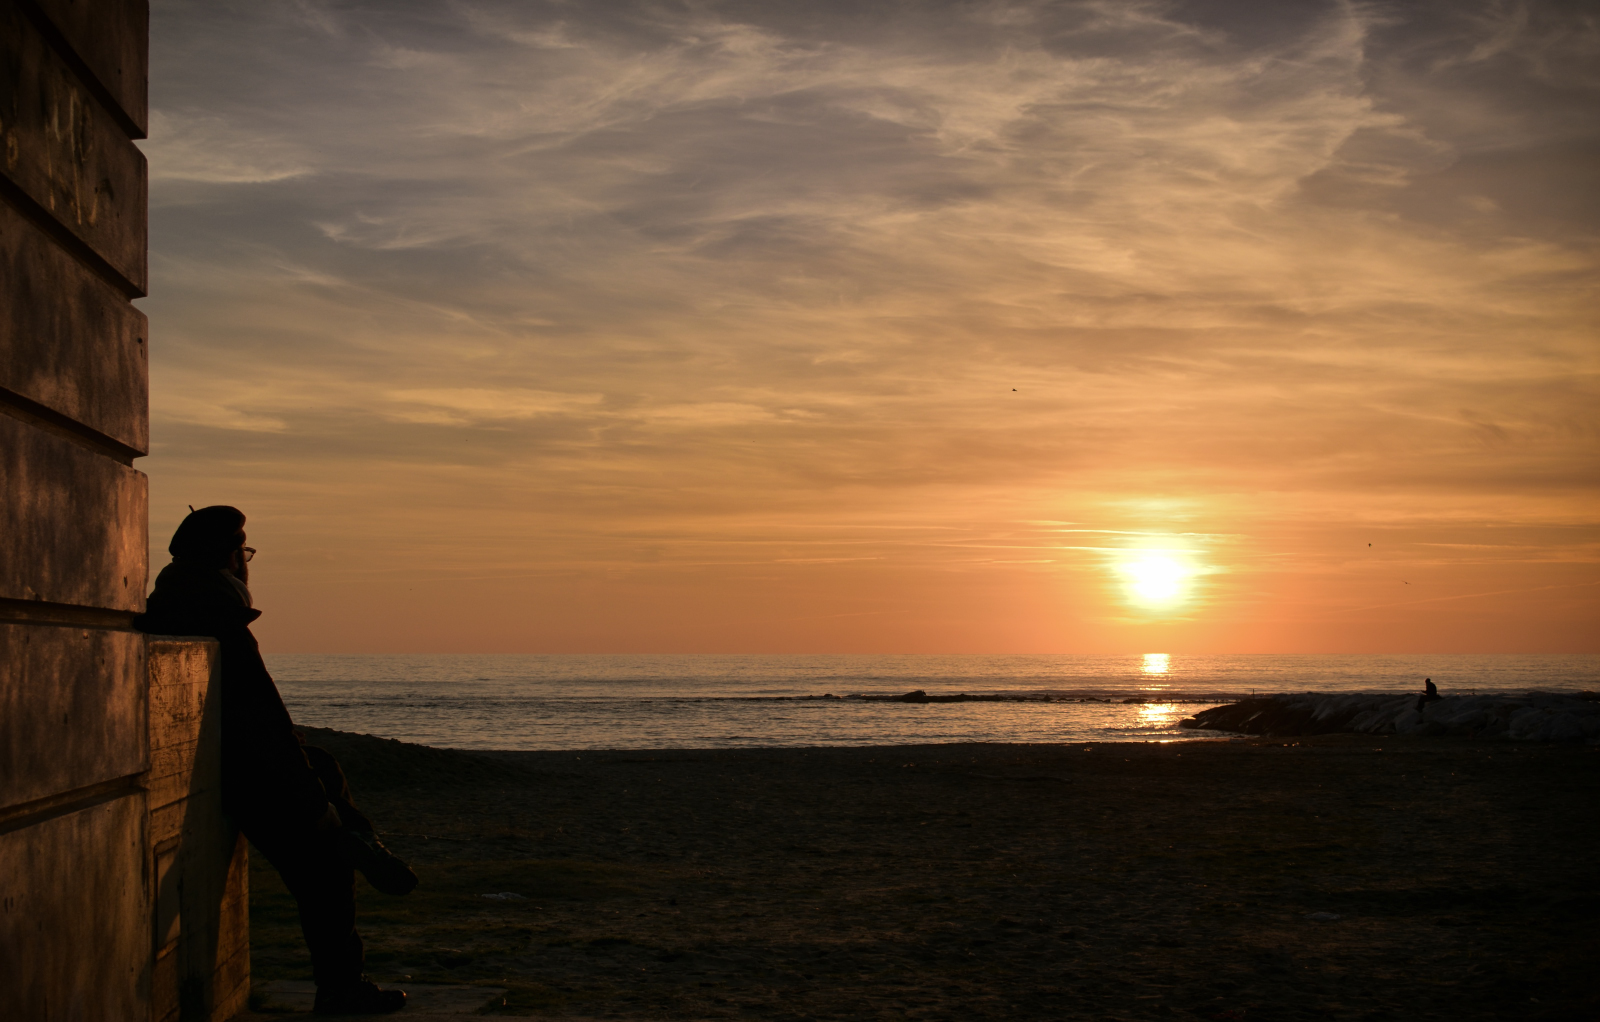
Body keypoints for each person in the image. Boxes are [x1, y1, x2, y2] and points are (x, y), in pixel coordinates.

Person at [135, 506, 415, 1015]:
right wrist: (311, 804)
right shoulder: (220, 614)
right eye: (243, 552)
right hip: (250, 777)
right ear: (230, 558)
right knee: (326, 872)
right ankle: (343, 978)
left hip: (236, 763)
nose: (246, 562)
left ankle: (360, 839)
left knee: (322, 763)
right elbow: (260, 717)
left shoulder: (179, 600)